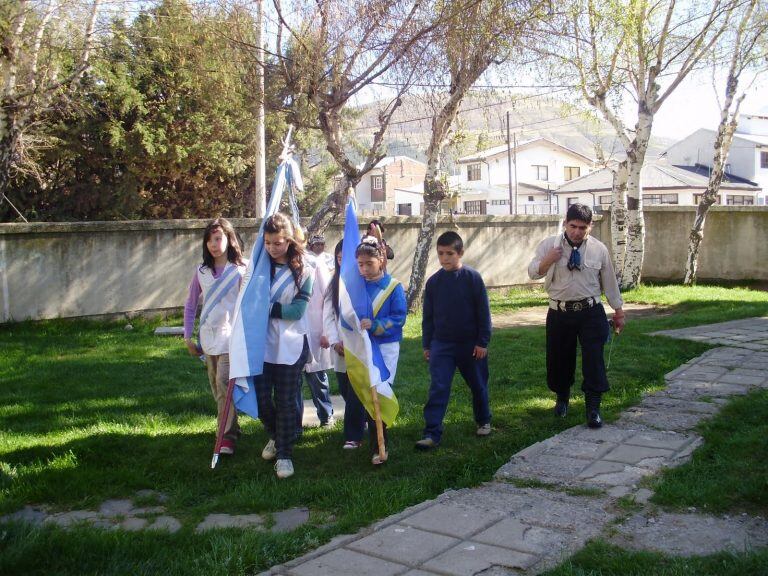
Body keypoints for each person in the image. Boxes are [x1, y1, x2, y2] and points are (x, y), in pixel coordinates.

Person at [528, 203, 626, 428]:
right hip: (559, 312)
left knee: (594, 359)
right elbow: (533, 272)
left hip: (591, 312)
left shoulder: (599, 249)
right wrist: (550, 259)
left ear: (590, 227)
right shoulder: (548, 246)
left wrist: (618, 311)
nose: (577, 232)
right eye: (573, 226)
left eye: (583, 227)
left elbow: (610, 282)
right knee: (559, 359)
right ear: (565, 223)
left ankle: (593, 408)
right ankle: (562, 399)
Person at [415, 231, 492, 450]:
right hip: (442, 344)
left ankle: (483, 419)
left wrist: (482, 342)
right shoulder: (433, 283)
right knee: (438, 386)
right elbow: (428, 317)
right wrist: (427, 345)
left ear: (460, 253)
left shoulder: (473, 278)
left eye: (450, 253)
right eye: (440, 253)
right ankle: (432, 432)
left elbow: (483, 313)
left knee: (478, 384)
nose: (445, 258)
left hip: (471, 345)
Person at [183, 218, 247, 456]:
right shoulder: (201, 272)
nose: (213, 243)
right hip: (208, 339)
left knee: (223, 383)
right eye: (209, 239)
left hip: (231, 338)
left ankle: (226, 437)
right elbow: (190, 305)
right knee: (216, 386)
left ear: (229, 239)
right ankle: (232, 426)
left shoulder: (241, 270)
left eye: (218, 238)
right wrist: (187, 336)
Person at [257, 213, 314, 479]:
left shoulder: (304, 269)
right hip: (261, 343)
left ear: (289, 240)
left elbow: (297, 311)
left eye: (277, 242)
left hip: (291, 344)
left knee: (286, 401)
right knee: (260, 401)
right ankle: (277, 435)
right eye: (268, 243)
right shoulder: (258, 265)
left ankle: (285, 455)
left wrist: (266, 308)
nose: (272, 248)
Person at [356, 237, 407, 465]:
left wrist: (375, 326)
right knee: (368, 392)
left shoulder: (394, 287)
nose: (364, 268)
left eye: (369, 263)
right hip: (362, 346)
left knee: (382, 389)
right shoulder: (357, 286)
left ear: (381, 260)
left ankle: (380, 442)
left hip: (386, 346)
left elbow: (399, 317)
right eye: (360, 264)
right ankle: (376, 440)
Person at [322, 240, 367, 449]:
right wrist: (333, 341)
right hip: (340, 348)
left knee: (357, 390)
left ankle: (353, 434)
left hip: (360, 347)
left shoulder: (364, 281)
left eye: (346, 258)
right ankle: (361, 419)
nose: (343, 262)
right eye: (339, 258)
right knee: (346, 390)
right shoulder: (334, 283)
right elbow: (328, 316)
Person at [295, 235, 334, 433]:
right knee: (293, 383)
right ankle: (294, 424)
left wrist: (327, 331)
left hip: (314, 327)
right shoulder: (282, 264)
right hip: (292, 331)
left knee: (317, 378)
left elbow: (328, 297)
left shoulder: (314, 262)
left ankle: (326, 415)